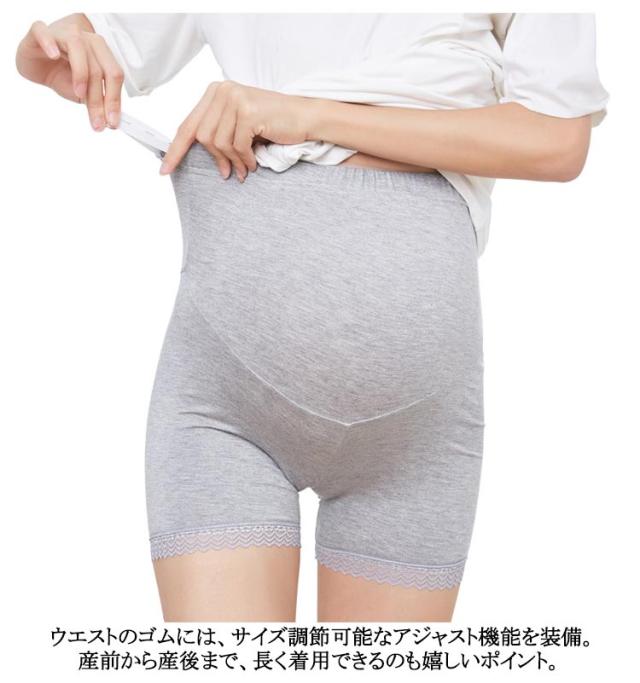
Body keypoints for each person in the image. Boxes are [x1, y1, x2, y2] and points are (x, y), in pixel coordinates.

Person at [15, 12, 609, 623]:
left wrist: (307, 114)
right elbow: (82, 53)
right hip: (224, 400)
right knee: (224, 664)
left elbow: (557, 139)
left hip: (410, 433)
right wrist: (57, 48)